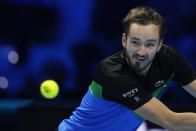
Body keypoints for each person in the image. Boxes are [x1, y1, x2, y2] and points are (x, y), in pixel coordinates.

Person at [58, 6, 196, 131]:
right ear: (124, 40)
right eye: (135, 42)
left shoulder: (170, 59)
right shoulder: (113, 72)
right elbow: (172, 122)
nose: (141, 52)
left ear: (159, 45)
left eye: (150, 44)